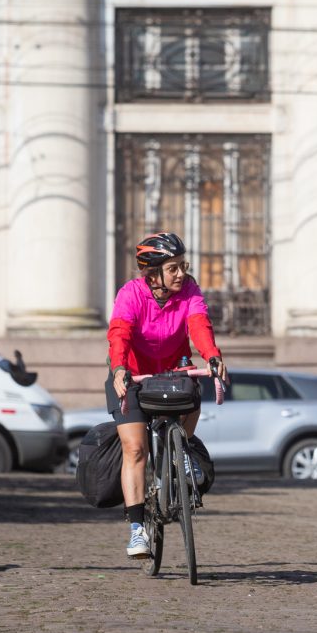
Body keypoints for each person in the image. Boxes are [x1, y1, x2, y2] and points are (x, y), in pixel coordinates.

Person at [106, 232, 228, 559]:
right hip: (132, 375)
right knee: (134, 449)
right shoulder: (130, 294)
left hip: (173, 372)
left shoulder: (189, 291)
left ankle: (180, 454)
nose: (181, 274)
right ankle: (136, 531)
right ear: (153, 273)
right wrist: (119, 368)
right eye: (173, 268)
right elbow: (119, 333)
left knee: (194, 389)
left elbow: (199, 325)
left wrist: (212, 356)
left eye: (182, 266)